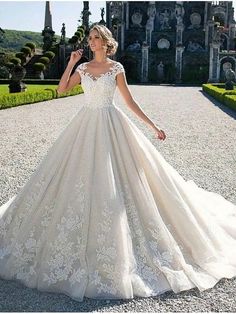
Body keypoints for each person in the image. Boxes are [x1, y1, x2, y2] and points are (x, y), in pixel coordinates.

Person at [0, 24, 236, 303]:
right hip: (85, 125)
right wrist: (71, 62)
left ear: (106, 42)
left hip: (112, 124)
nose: (92, 42)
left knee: (125, 181)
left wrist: (153, 125)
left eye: (96, 38)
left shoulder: (116, 68)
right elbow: (62, 89)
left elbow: (128, 101)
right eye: (90, 38)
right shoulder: (83, 67)